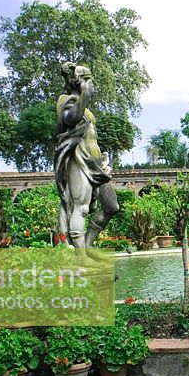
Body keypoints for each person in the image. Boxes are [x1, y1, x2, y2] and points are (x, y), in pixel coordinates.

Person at [54, 62, 118, 248]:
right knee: (80, 207)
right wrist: (85, 96)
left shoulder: (83, 106)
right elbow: (69, 119)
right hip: (79, 161)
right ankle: (81, 258)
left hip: (95, 164)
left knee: (111, 206)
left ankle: (87, 246)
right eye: (88, 80)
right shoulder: (66, 100)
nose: (91, 84)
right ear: (78, 81)